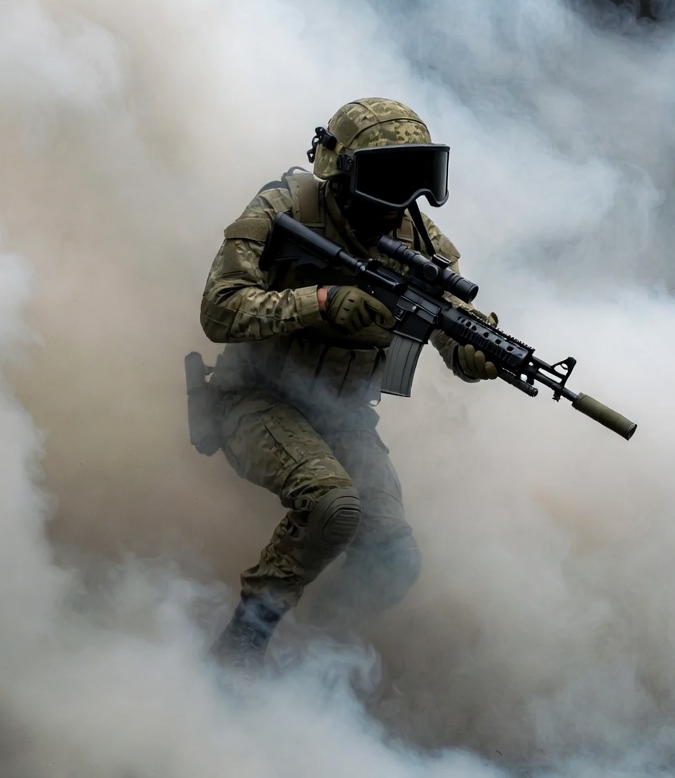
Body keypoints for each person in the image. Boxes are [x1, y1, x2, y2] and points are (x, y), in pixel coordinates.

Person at [200, 97, 497, 670]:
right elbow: (220, 309)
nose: (403, 198)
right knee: (333, 505)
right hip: (254, 399)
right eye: (388, 178)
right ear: (342, 172)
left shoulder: (425, 248)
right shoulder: (286, 208)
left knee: (393, 557)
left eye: (418, 177)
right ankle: (242, 644)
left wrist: (474, 353)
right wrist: (320, 301)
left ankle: (315, 649)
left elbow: (452, 330)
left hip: (343, 416)